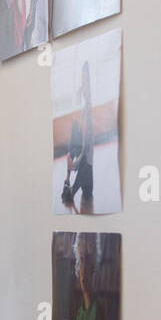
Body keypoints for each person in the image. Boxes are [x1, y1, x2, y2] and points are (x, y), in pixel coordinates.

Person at [62, 61, 95, 212]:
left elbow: (86, 148)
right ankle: (70, 187)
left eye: (85, 79)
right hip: (83, 165)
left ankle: (72, 189)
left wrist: (74, 167)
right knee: (73, 153)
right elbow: (74, 147)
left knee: (87, 189)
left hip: (86, 171)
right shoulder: (80, 112)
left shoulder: (88, 112)